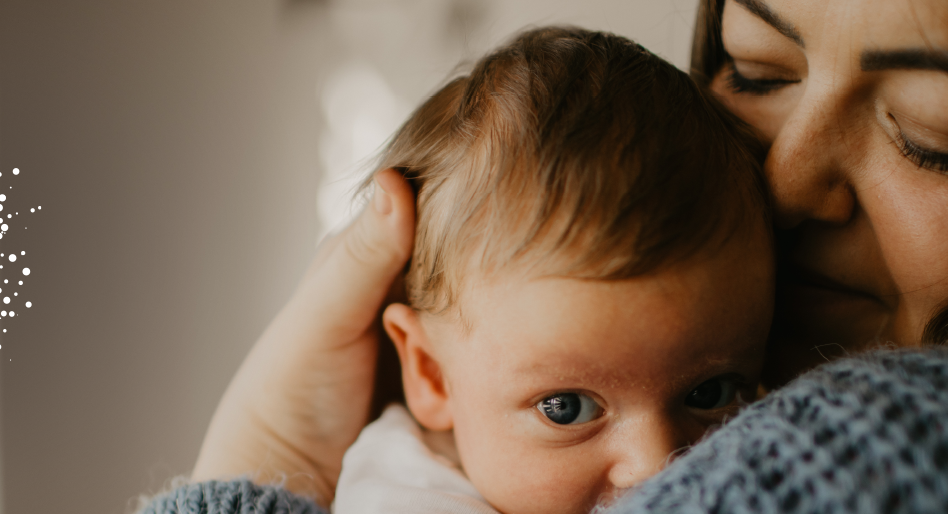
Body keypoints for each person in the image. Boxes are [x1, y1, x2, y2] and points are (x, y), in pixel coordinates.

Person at [150, 0, 948, 512]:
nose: (786, 181)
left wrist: (251, 460)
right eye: (756, 71)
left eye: (936, 136)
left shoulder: (932, 460)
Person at [328, 27, 769, 514]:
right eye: (566, 408)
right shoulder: (405, 495)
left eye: (710, 394)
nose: (657, 467)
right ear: (432, 374)